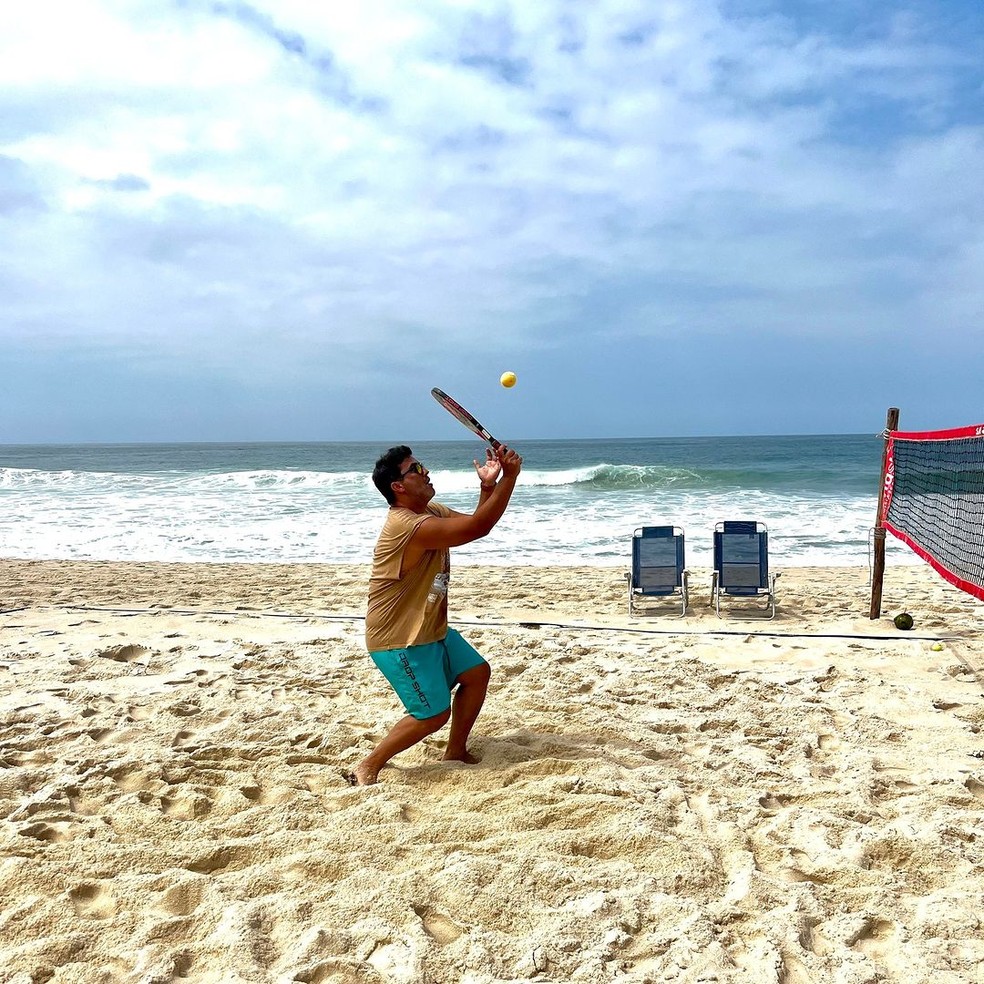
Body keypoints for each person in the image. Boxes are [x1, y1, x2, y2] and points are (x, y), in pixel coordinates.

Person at [349, 442, 523, 785]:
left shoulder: (430, 512)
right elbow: (479, 528)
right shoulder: (407, 526)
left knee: (476, 673)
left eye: (421, 465)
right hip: (398, 638)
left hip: (430, 627)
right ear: (398, 487)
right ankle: (368, 765)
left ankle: (455, 751)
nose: (425, 471)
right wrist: (511, 476)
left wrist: (489, 486)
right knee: (432, 714)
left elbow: (475, 521)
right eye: (415, 469)